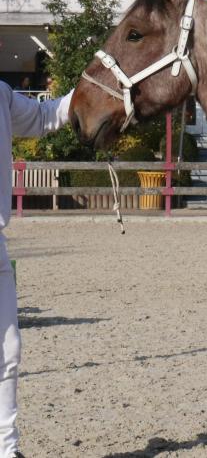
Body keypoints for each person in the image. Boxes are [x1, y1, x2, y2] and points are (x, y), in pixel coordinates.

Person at [0, 81, 73, 458]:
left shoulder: (1, 94)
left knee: (8, 351)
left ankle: (7, 449)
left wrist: (92, 86)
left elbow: (44, 116)